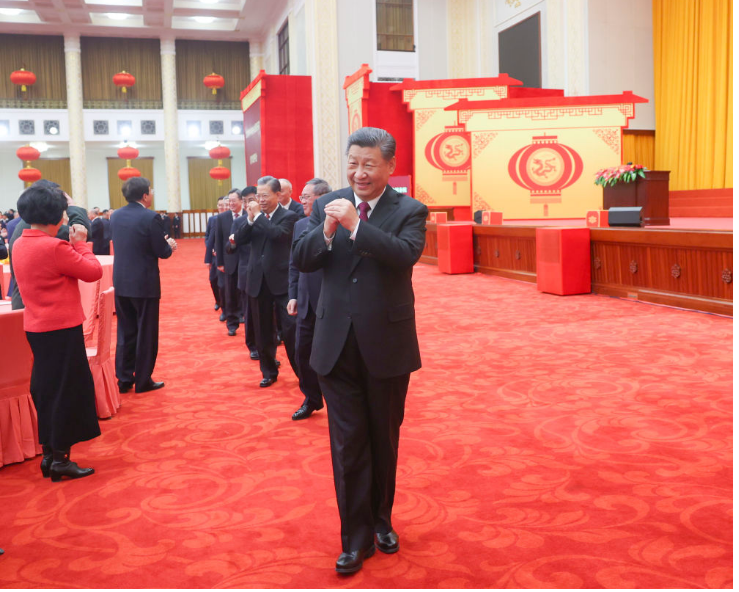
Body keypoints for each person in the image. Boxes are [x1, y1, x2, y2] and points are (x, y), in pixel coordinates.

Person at [293, 127, 428, 574]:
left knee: (383, 438)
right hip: (335, 343)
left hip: (386, 344)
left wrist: (357, 226)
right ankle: (354, 538)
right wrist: (327, 230)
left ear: (390, 165)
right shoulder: (328, 204)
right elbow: (303, 258)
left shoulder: (409, 210)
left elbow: (404, 255)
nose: (359, 172)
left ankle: (381, 520)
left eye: (369, 164)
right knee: (348, 442)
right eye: (353, 163)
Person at [12, 183, 103, 481]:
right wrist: (81, 243)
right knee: (68, 391)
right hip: (62, 328)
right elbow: (93, 271)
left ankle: (50, 454)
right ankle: (61, 459)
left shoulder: (20, 243)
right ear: (54, 216)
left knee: (47, 389)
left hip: (36, 327)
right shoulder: (54, 247)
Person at [232, 176, 299, 388]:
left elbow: (277, 235)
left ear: (277, 195)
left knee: (290, 330)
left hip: (282, 281)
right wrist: (251, 220)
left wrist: (259, 217)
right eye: (258, 196)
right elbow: (238, 240)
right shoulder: (253, 217)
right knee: (262, 330)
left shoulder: (289, 216)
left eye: (264, 195)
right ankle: (268, 371)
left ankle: (302, 372)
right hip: (257, 281)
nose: (260, 200)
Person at [111, 177, 177, 394]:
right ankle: (143, 380)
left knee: (125, 331)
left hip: (121, 281)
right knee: (146, 333)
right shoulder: (151, 217)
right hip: (144, 283)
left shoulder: (115, 215)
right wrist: (169, 245)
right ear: (145, 195)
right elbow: (161, 251)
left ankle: (124, 378)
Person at [287, 178, 332, 420]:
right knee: (302, 353)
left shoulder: (339, 224)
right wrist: (293, 294)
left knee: (332, 356)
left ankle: (336, 400)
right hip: (305, 302)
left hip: (331, 303)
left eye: (306, 197)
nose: (302, 201)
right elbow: (294, 264)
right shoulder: (300, 224)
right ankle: (311, 398)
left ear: (322, 199)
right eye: (301, 197)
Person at [9, 180, 91, 310]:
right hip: (42, 307)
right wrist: (72, 206)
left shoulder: (27, 225)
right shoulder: (46, 228)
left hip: (27, 303)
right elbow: (82, 232)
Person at [229, 186, 259, 358]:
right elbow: (230, 246)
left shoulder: (267, 220)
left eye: (252, 200)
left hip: (267, 273)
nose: (249, 204)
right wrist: (233, 243)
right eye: (246, 201)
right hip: (246, 273)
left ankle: (268, 350)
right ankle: (253, 346)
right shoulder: (239, 222)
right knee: (250, 313)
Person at [215, 189, 244, 337]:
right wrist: (219, 262)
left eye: (234, 201)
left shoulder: (248, 216)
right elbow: (219, 241)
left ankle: (243, 315)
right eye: (229, 201)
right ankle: (232, 324)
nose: (231, 204)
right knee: (230, 293)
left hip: (246, 261)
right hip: (229, 262)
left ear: (241, 201)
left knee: (244, 292)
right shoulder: (222, 218)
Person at [205, 197, 226, 312]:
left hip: (225, 255)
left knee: (223, 282)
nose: (222, 207)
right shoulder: (212, 219)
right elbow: (208, 237)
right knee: (213, 279)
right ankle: (218, 301)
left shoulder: (230, 219)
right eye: (220, 205)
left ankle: (225, 305)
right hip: (214, 256)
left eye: (224, 205)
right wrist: (211, 249)